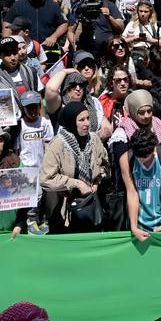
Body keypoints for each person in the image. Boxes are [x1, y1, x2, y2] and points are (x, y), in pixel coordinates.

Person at [39, 100, 109, 233]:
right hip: (65, 211)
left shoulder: (93, 139)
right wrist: (75, 183)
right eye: (81, 120)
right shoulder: (58, 144)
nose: (87, 123)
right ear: (71, 122)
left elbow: (105, 165)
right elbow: (46, 179)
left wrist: (96, 182)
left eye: (88, 118)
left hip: (91, 206)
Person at [120, 128, 161, 240]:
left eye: (146, 157)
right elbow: (132, 193)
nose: (143, 160)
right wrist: (133, 227)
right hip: (139, 222)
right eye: (139, 157)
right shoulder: (125, 159)